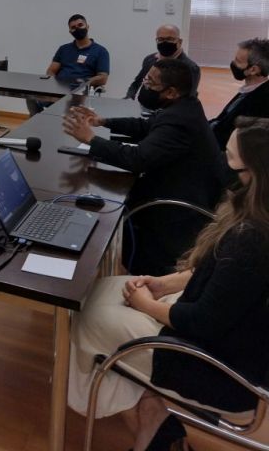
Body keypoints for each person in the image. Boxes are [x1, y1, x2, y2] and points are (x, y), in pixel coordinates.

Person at [67, 117, 269, 451]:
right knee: (103, 291)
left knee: (87, 315)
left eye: (230, 158)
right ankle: (153, 421)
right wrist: (162, 285)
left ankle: (151, 424)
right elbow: (220, 275)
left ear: (255, 174)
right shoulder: (255, 219)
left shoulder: (252, 240)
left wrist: (146, 305)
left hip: (219, 370)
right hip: (221, 335)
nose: (221, 163)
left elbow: (202, 321)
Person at [63, 58, 226, 275]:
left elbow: (138, 159)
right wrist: (103, 122)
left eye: (150, 83)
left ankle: (102, 271)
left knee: (103, 206)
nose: (145, 86)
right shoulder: (185, 106)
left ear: (171, 92)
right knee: (105, 195)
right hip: (176, 189)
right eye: (146, 79)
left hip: (175, 211)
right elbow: (146, 126)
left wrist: (91, 139)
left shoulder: (180, 121)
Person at [26, 14, 109, 115]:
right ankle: (38, 122)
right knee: (31, 96)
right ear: (70, 32)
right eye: (73, 27)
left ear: (87, 26)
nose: (77, 29)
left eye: (80, 25)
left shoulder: (100, 51)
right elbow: (51, 71)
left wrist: (83, 83)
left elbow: (103, 78)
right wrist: (53, 86)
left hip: (80, 93)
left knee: (65, 106)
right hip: (59, 90)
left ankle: (52, 120)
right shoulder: (64, 49)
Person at [209, 37, 269, 150]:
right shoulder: (249, 90)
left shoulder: (262, 102)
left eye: (238, 61)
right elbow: (222, 121)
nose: (233, 64)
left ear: (253, 70)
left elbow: (234, 139)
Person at [125, 24, 200, 109]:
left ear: (179, 42)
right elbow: (136, 83)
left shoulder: (190, 67)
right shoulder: (150, 59)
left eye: (169, 39)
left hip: (165, 113)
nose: (165, 43)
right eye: (160, 39)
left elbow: (188, 99)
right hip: (139, 108)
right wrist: (128, 99)